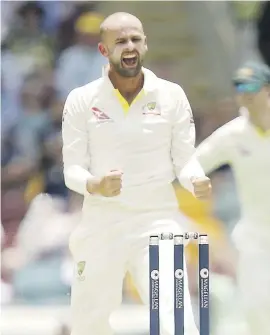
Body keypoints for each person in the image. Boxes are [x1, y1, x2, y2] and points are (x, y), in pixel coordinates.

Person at [62, 12, 211, 335]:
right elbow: (71, 169)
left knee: (175, 321)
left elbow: (184, 159)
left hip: (156, 222)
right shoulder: (82, 100)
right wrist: (96, 184)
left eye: (135, 39)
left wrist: (195, 178)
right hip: (102, 225)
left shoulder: (171, 95)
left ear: (145, 44)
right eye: (120, 41)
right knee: (89, 325)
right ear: (103, 51)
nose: (129, 47)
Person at [181, 61, 270, 335]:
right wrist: (196, 180)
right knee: (257, 310)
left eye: (252, 87)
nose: (246, 95)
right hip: (256, 239)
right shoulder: (233, 134)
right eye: (240, 88)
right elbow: (191, 164)